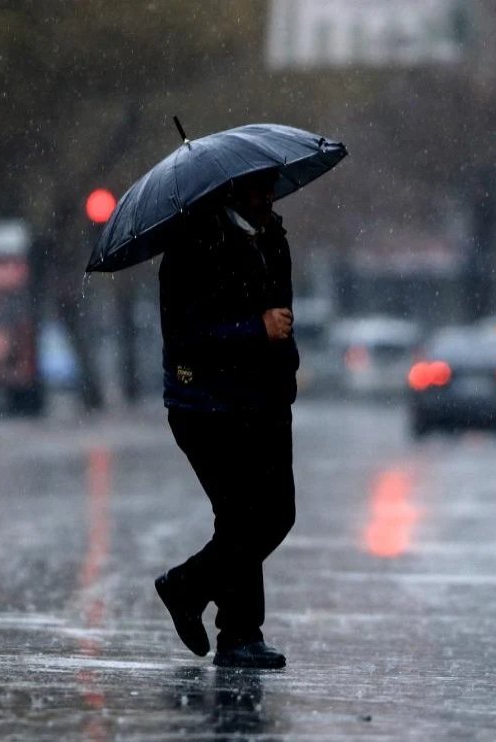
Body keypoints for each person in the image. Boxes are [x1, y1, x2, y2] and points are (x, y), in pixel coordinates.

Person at [153, 168, 298, 669]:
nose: (267, 196)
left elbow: (284, 314)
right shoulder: (193, 244)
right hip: (207, 406)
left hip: (265, 401)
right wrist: (253, 329)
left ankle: (196, 596)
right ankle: (235, 630)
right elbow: (189, 335)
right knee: (244, 517)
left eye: (271, 186)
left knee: (274, 514)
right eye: (258, 188)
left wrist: (284, 373)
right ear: (232, 189)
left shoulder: (272, 236)